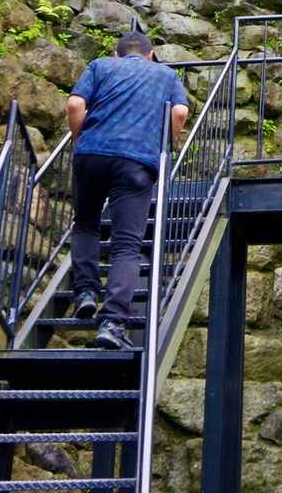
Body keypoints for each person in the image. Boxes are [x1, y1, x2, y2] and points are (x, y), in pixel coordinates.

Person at [65, 30, 190, 349]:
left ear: (116, 54)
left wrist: (82, 140)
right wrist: (165, 145)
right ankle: (112, 322)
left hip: (92, 156)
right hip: (136, 162)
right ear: (150, 55)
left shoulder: (100, 65)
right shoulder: (165, 74)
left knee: (85, 224)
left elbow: (76, 104)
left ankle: (85, 292)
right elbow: (180, 112)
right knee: (126, 245)